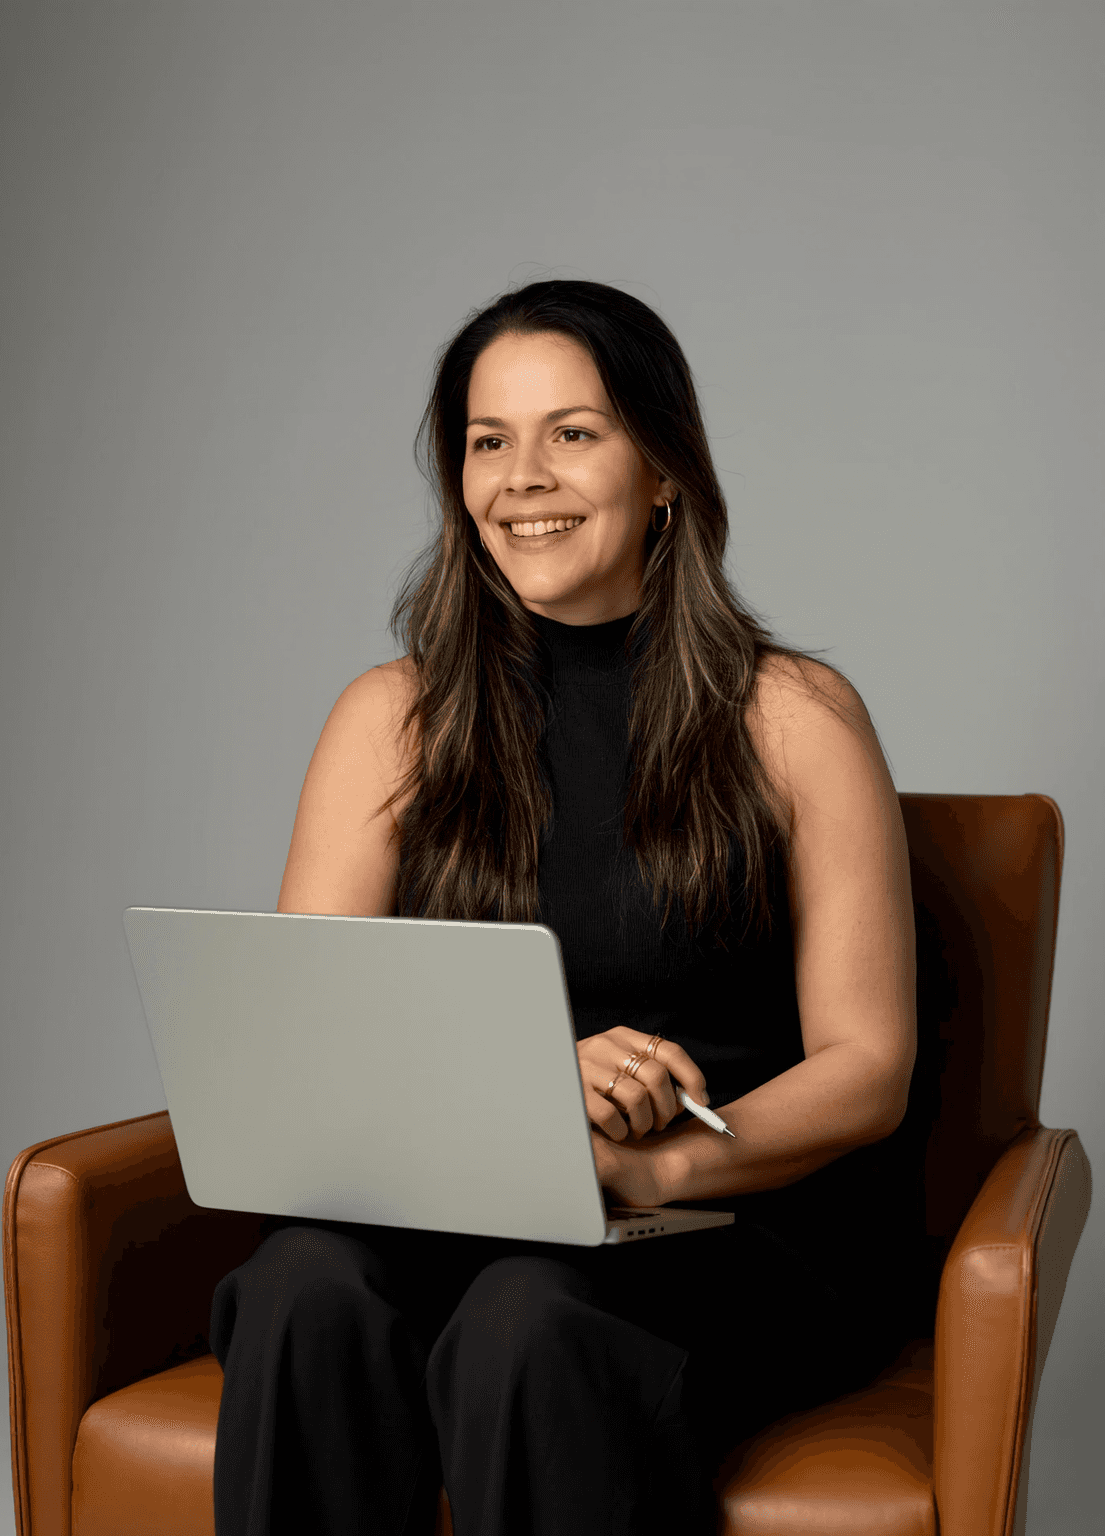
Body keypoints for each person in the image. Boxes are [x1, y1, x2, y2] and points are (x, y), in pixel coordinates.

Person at [208, 279, 927, 1536]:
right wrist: (542, 1093)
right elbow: (311, 1046)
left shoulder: (795, 715)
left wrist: (653, 1164)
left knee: (526, 1319)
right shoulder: (393, 719)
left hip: (717, 1221)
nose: (523, 477)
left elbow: (869, 1065)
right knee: (301, 1286)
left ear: (663, 469)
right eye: (490, 441)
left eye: (573, 433)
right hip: (454, 1203)